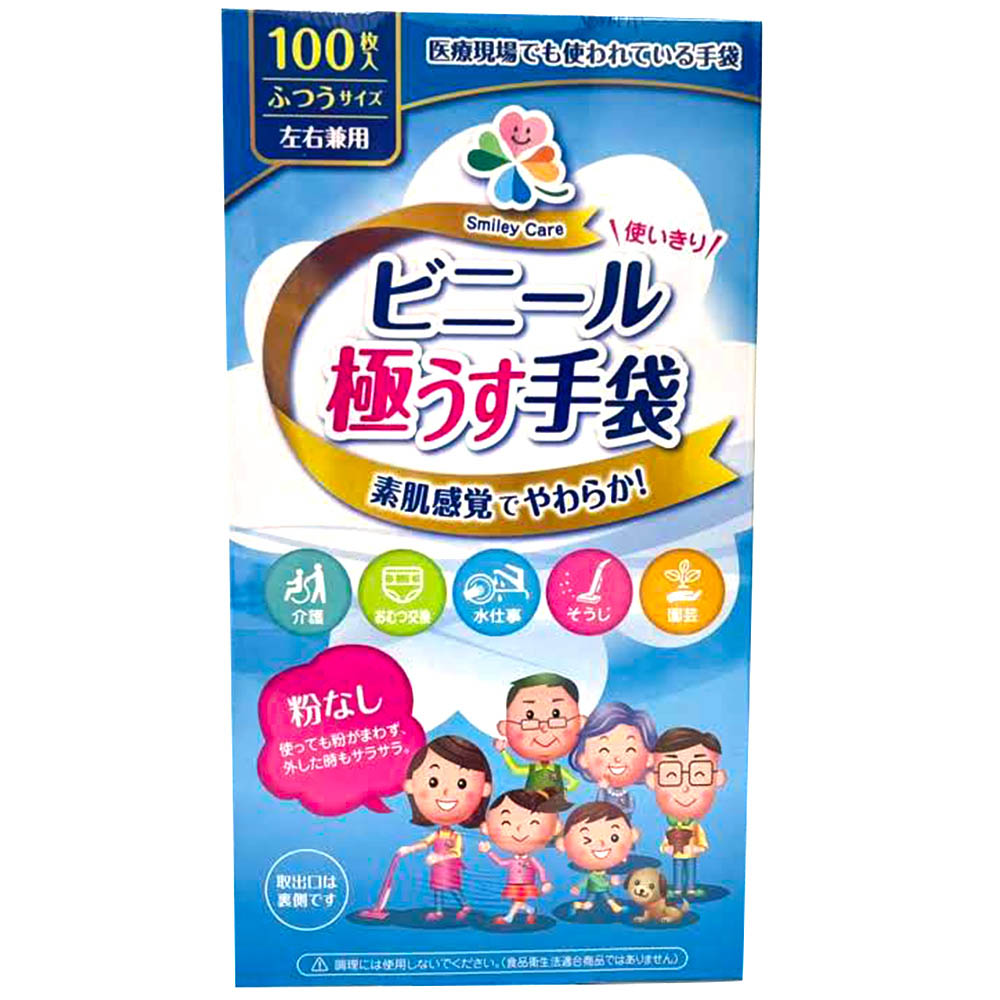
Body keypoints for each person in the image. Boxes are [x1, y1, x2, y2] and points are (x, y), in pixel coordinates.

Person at [398, 735, 492, 921]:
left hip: (449, 866)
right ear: (410, 785)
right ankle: (439, 911)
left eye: (461, 784)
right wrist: (409, 848)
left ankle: (465, 905)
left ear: (484, 789)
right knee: (437, 888)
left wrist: (439, 857)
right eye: (433, 782)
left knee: (453, 887)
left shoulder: (456, 836)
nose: (446, 792)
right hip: (437, 867)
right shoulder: (437, 833)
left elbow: (456, 852)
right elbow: (425, 843)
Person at [646, 726, 727, 897]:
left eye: (699, 773)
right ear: (652, 780)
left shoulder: (695, 827)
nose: (685, 787)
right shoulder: (672, 826)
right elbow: (666, 841)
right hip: (677, 853)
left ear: (718, 778)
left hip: (691, 852)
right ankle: (677, 888)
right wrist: (667, 847)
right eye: (670, 774)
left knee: (690, 868)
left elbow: (701, 841)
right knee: (677, 868)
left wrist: (698, 848)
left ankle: (690, 888)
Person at [494, 672, 586, 805]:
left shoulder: (557, 770)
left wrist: (562, 791)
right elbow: (515, 769)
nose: (544, 728)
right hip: (533, 804)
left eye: (556, 715)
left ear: (580, 723)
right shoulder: (533, 770)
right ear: (505, 727)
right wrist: (503, 752)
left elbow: (574, 782)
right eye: (529, 716)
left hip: (553, 803)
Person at [478, 788, 564, 925]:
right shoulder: (512, 860)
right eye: (506, 823)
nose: (519, 829)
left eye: (533, 823)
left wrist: (545, 881)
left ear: (555, 828)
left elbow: (540, 869)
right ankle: (530, 910)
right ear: (486, 828)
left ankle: (509, 917)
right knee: (517, 902)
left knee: (518, 901)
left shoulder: (531, 859)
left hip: (526, 884)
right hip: (514, 884)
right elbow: (501, 863)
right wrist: (489, 852)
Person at [568, 701, 656, 819]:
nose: (617, 758)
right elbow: (600, 804)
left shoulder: (628, 795)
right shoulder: (603, 792)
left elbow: (630, 805)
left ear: (650, 758)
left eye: (630, 750)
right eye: (604, 750)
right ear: (582, 758)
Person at [556, 801, 639, 915]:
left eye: (614, 837)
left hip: (604, 889)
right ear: (563, 844)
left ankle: (615, 907)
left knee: (609, 898)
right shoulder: (592, 876)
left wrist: (612, 881)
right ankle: (578, 905)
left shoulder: (604, 873)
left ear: (632, 835)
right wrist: (577, 887)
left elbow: (605, 881)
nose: (601, 843)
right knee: (588, 905)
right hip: (593, 891)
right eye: (587, 840)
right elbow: (585, 882)